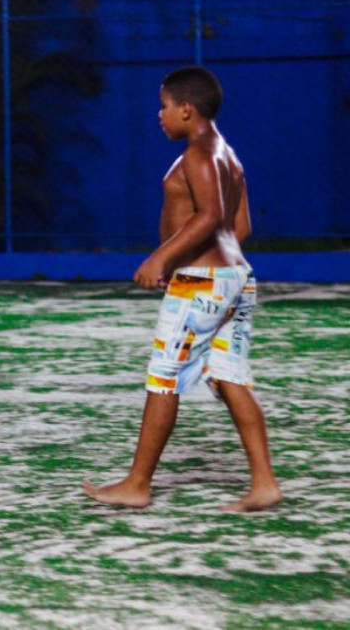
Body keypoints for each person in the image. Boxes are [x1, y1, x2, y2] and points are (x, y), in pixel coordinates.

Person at [84, 66, 283, 512]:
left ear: (187, 109)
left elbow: (210, 216)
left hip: (202, 284)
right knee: (229, 378)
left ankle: (137, 483)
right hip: (235, 280)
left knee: (163, 379)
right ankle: (264, 482)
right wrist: (216, 272)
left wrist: (163, 259)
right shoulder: (228, 156)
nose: (160, 114)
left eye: (165, 106)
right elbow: (241, 227)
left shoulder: (198, 153)